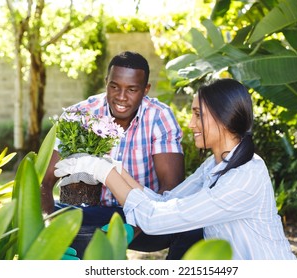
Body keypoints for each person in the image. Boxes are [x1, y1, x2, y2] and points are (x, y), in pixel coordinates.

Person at [55, 78, 297, 260]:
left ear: (223, 118)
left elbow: (156, 219)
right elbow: (167, 202)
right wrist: (116, 169)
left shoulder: (245, 177)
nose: (191, 124)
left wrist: (101, 171)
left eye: (197, 115)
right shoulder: (215, 165)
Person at [41, 51, 203, 259]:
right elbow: (45, 182)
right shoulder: (80, 115)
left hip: (146, 217)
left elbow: (169, 191)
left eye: (132, 89)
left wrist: (125, 234)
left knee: (191, 229)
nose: (121, 97)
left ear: (145, 90)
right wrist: (45, 227)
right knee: (57, 217)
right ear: (106, 82)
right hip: (96, 214)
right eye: (114, 87)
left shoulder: (159, 117)